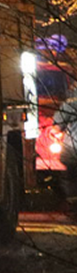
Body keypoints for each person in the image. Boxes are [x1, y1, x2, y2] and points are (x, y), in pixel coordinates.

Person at [52, 84, 77, 214]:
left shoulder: (70, 104)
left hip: (72, 149)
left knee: (71, 178)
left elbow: (56, 128)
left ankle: (73, 207)